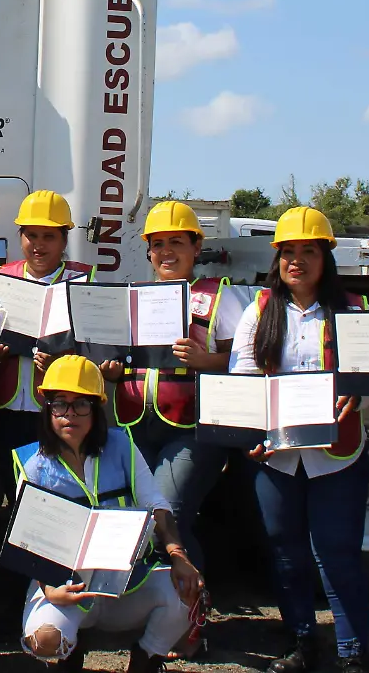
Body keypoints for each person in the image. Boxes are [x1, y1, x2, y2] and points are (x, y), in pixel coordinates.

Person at [230, 207, 369, 673]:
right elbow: (243, 377)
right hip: (277, 457)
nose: (297, 261)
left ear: (326, 258)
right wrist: (251, 430)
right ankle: (302, 642)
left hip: (336, 456)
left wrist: (357, 396)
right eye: (288, 252)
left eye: (308, 251)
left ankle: (353, 652)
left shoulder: (354, 310)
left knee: (338, 553)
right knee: (285, 551)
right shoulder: (259, 311)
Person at [17, 357, 203, 673]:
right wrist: (50, 589)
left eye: (80, 405)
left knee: (188, 592)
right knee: (47, 639)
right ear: (47, 409)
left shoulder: (121, 445)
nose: (69, 415)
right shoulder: (32, 465)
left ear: (97, 409)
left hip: (126, 583)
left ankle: (147, 659)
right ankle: (68, 651)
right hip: (65, 586)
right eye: (59, 404)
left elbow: (156, 504)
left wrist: (178, 555)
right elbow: (29, 541)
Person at [111, 200, 248, 573]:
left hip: (191, 428)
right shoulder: (132, 296)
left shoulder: (221, 296)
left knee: (166, 521)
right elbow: (120, 362)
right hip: (134, 425)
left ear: (196, 248)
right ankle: (160, 610)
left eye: (177, 242)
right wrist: (110, 371)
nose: (166, 251)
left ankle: (190, 615)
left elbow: (247, 364)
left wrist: (206, 361)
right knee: (136, 520)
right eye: (157, 243)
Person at [0, 190, 94, 500]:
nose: (39, 244)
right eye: (31, 235)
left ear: (64, 240)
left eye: (49, 236)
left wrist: (61, 363)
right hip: (5, 405)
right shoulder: (1, 279)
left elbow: (94, 350)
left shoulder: (83, 282)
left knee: (54, 493)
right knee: (13, 487)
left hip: (57, 410)